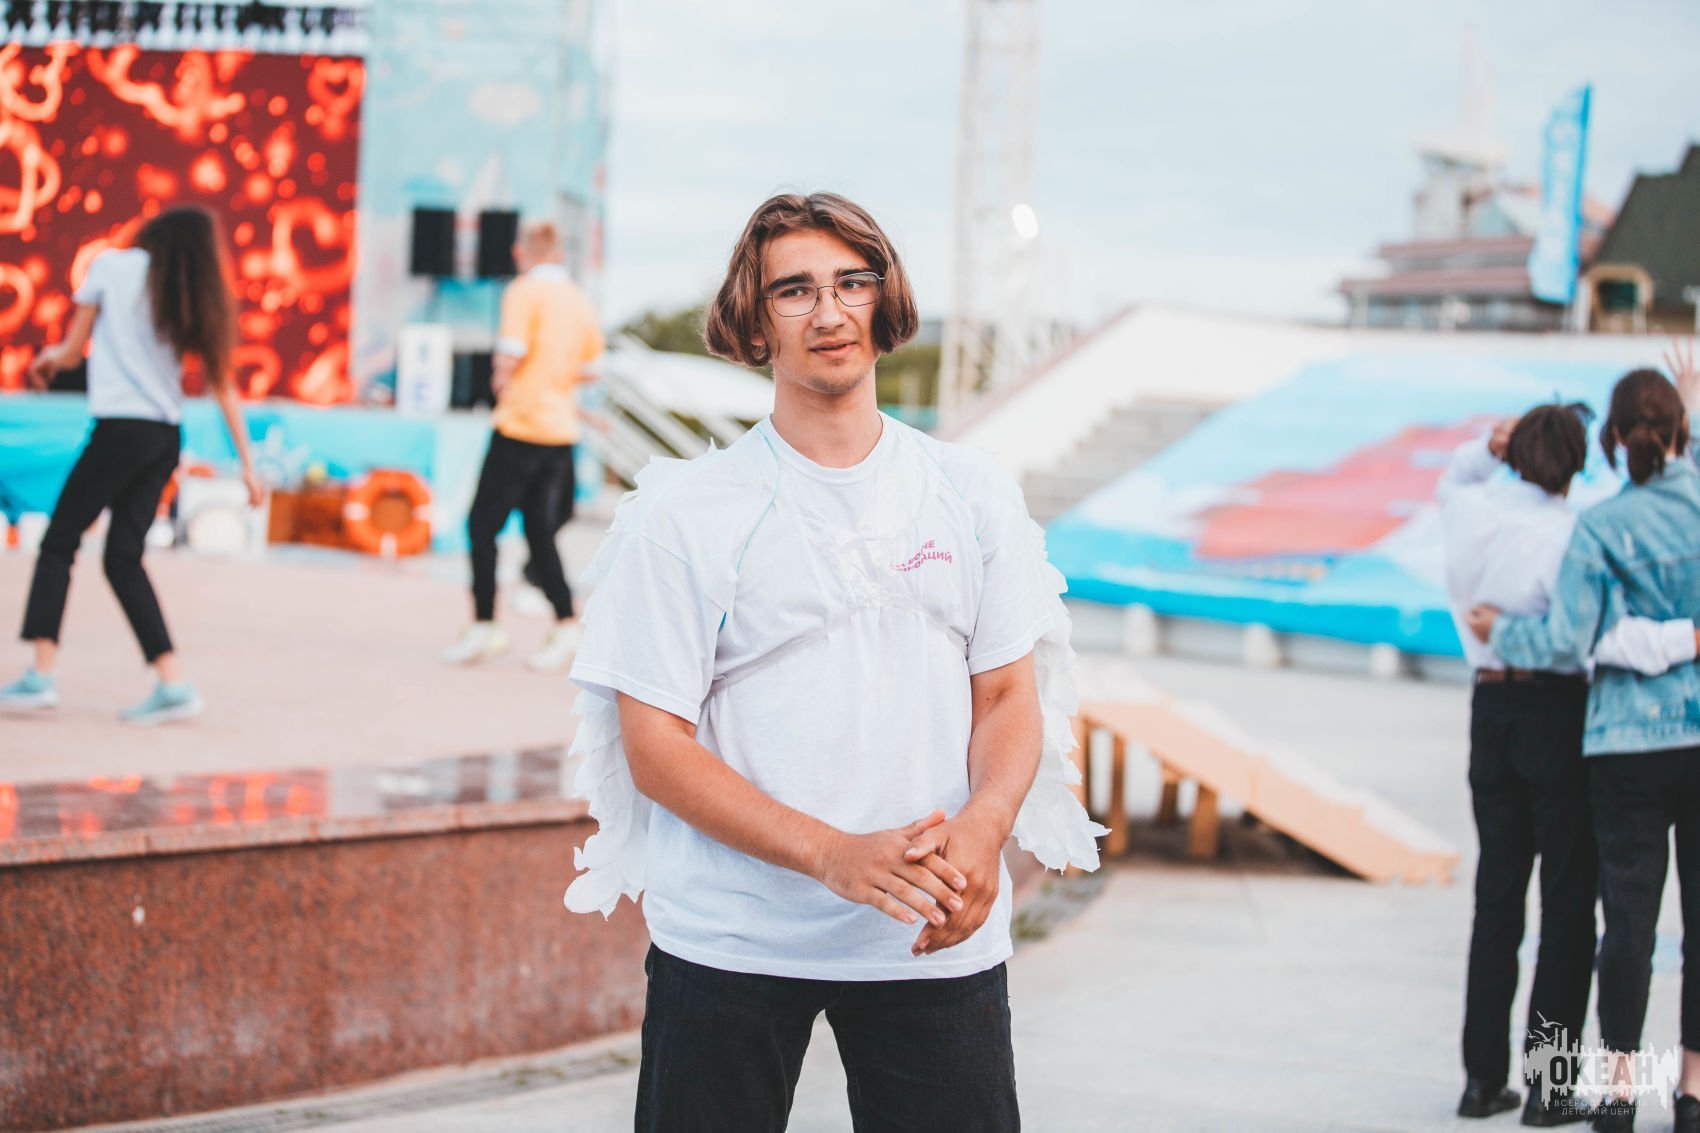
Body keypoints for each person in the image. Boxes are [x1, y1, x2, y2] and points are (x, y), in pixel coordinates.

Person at [559, 192, 1103, 1131]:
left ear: (885, 303)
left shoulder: (972, 491)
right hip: (733, 935)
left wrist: (984, 828)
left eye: (854, 283)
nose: (830, 311)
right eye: (794, 290)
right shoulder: (685, 512)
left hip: (930, 933)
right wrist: (832, 854)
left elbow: (1009, 694)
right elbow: (655, 745)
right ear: (754, 323)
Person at [1440, 401, 1698, 1125]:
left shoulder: (1468, 511)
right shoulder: (1574, 534)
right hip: (1558, 714)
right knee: (1567, 904)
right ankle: (1549, 1087)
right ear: (1581, 464)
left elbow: (1454, 477)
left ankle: (1481, 1080)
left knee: (1497, 898)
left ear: (1514, 452)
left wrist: (1485, 446)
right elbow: (1591, 635)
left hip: (1488, 706)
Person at [0, 206, 261, 724]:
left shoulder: (111, 266)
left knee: (59, 542)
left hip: (119, 431)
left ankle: (40, 676)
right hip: (163, 437)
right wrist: (249, 466)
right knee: (123, 558)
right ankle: (172, 682)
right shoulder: (186, 292)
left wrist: (49, 359)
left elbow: (72, 351)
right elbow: (223, 385)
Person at [442, 220, 603, 671]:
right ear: (559, 252)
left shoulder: (523, 291)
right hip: (560, 429)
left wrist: (502, 380)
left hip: (520, 424)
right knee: (539, 532)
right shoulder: (578, 298)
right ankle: (567, 624)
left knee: (481, 527)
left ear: (521, 252)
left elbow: (510, 352)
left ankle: (485, 625)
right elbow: (591, 368)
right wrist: (555, 379)